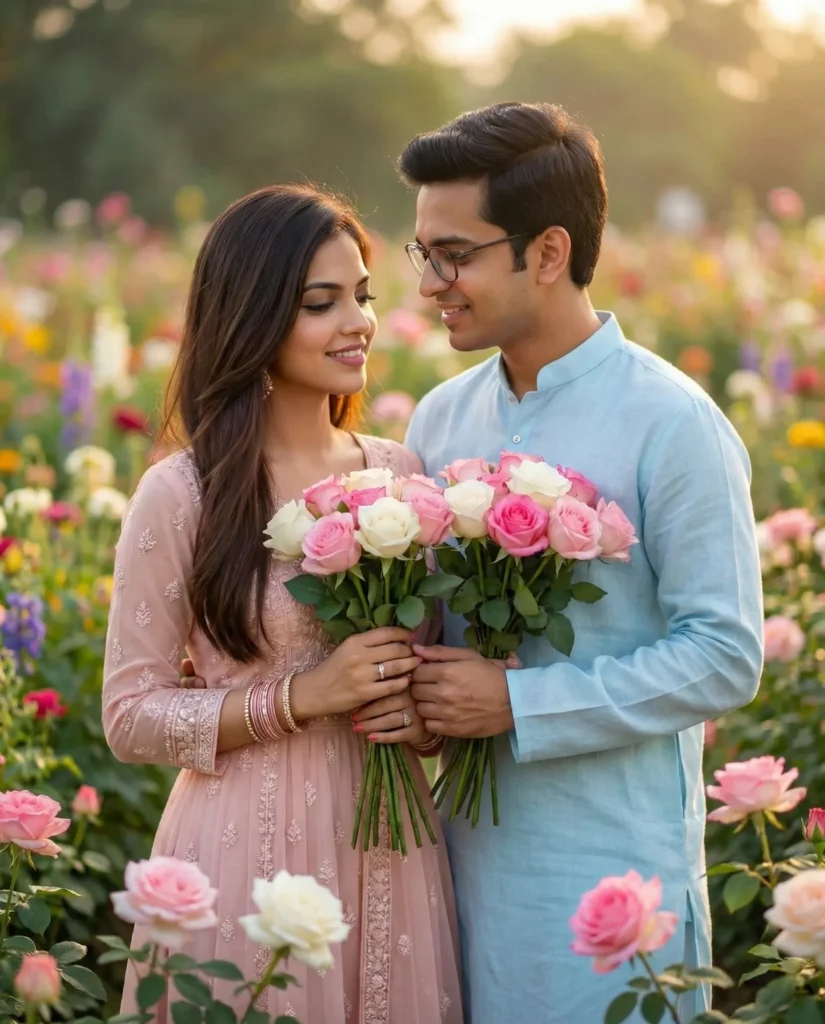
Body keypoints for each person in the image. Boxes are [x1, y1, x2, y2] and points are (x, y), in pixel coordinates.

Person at [398, 102, 764, 1023]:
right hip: (458, 856)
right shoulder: (439, 419)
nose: (431, 283)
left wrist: (518, 703)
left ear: (548, 252)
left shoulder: (671, 422)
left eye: (455, 255)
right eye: (423, 255)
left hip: (608, 876)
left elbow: (724, 654)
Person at [101, 183, 463, 1024]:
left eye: (363, 296)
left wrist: (425, 716)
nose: (358, 322)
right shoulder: (184, 492)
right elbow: (128, 715)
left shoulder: (401, 474)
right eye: (320, 302)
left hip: (394, 842)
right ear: (253, 315)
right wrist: (300, 697)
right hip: (245, 848)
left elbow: (428, 673)